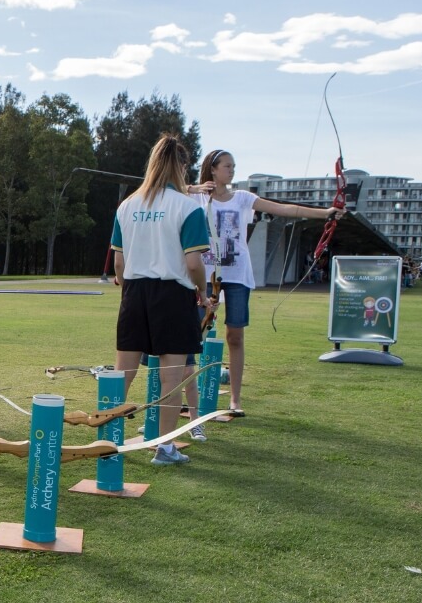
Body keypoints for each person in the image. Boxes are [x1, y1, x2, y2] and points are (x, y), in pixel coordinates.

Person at [186, 149, 341, 416]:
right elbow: (162, 187)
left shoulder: (244, 198)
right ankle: (186, 398)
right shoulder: (196, 196)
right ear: (212, 169)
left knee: (235, 336)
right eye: (226, 166)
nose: (232, 170)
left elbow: (283, 209)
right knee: (189, 335)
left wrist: (326, 213)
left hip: (236, 276)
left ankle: (235, 399)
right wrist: (193, 187)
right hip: (205, 276)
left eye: (234, 166)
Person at [111, 134, 213, 466]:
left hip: (135, 292)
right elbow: (194, 264)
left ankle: (107, 445)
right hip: (173, 293)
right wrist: (202, 292)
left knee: (122, 373)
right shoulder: (188, 207)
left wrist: (131, 292)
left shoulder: (127, 205)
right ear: (182, 167)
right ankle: (164, 449)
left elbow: (119, 265)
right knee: (172, 376)